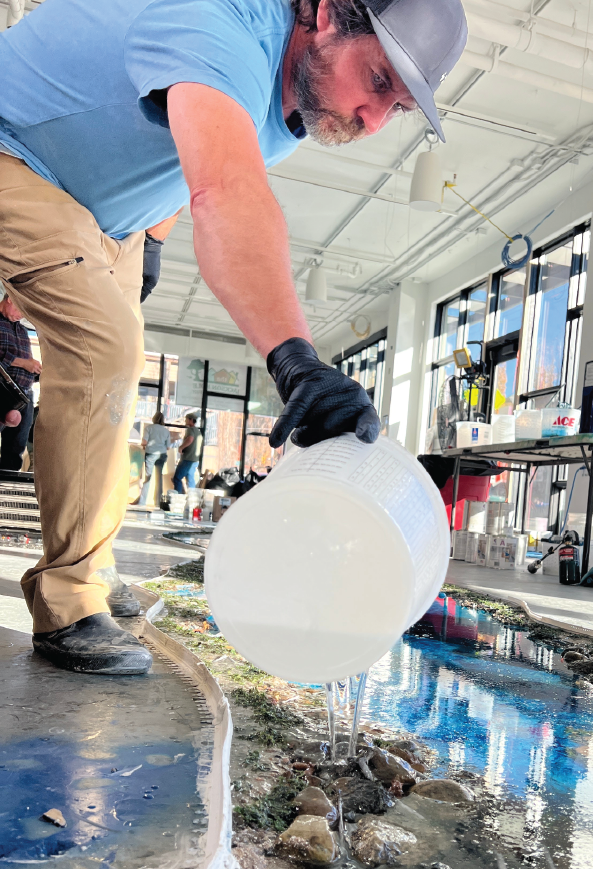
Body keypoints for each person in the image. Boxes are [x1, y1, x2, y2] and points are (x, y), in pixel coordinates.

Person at [0, 0, 467, 675]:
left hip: (103, 212)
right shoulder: (219, 27)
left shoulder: (300, 87)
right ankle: (68, 601)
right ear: (328, 13)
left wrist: (151, 238)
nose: (373, 120)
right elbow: (226, 191)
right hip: (18, 154)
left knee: (117, 370)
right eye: (377, 82)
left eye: (395, 109)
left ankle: (91, 566)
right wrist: (297, 363)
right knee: (106, 350)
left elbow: (181, 146)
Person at [0, 291, 41, 472]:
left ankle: (5, 490)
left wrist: (37, 372)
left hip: (24, 395)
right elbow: (22, 363)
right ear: (10, 299)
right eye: (21, 309)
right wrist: (24, 363)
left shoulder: (23, 331)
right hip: (2, 392)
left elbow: (26, 367)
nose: (22, 315)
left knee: (16, 449)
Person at [138, 411, 173, 505]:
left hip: (150, 454)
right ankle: (157, 502)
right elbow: (168, 447)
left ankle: (142, 502)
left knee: (148, 478)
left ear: (154, 418)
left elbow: (144, 442)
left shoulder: (148, 428)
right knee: (159, 478)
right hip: (162, 455)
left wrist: (144, 445)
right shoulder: (166, 431)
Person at [173, 414, 203, 492]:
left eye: (186, 419)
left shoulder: (190, 430)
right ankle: (192, 499)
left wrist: (181, 447)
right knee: (190, 480)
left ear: (191, 420)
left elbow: (190, 439)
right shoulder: (198, 431)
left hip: (187, 459)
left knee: (177, 478)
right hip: (195, 460)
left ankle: (177, 498)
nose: (185, 421)